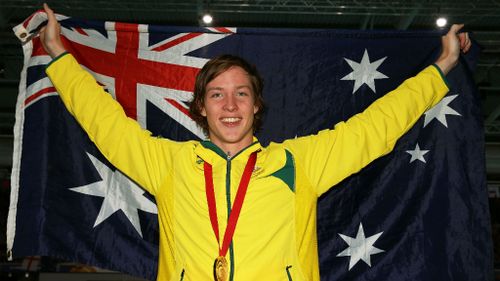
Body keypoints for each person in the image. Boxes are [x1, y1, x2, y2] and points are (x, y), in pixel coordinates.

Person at [39, 3, 471, 281]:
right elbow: (105, 124)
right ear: (201, 108)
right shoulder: (169, 162)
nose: (230, 105)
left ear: (257, 106)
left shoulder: (298, 162)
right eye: (217, 94)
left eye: (241, 93)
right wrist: (59, 56)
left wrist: (442, 65)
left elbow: (376, 126)